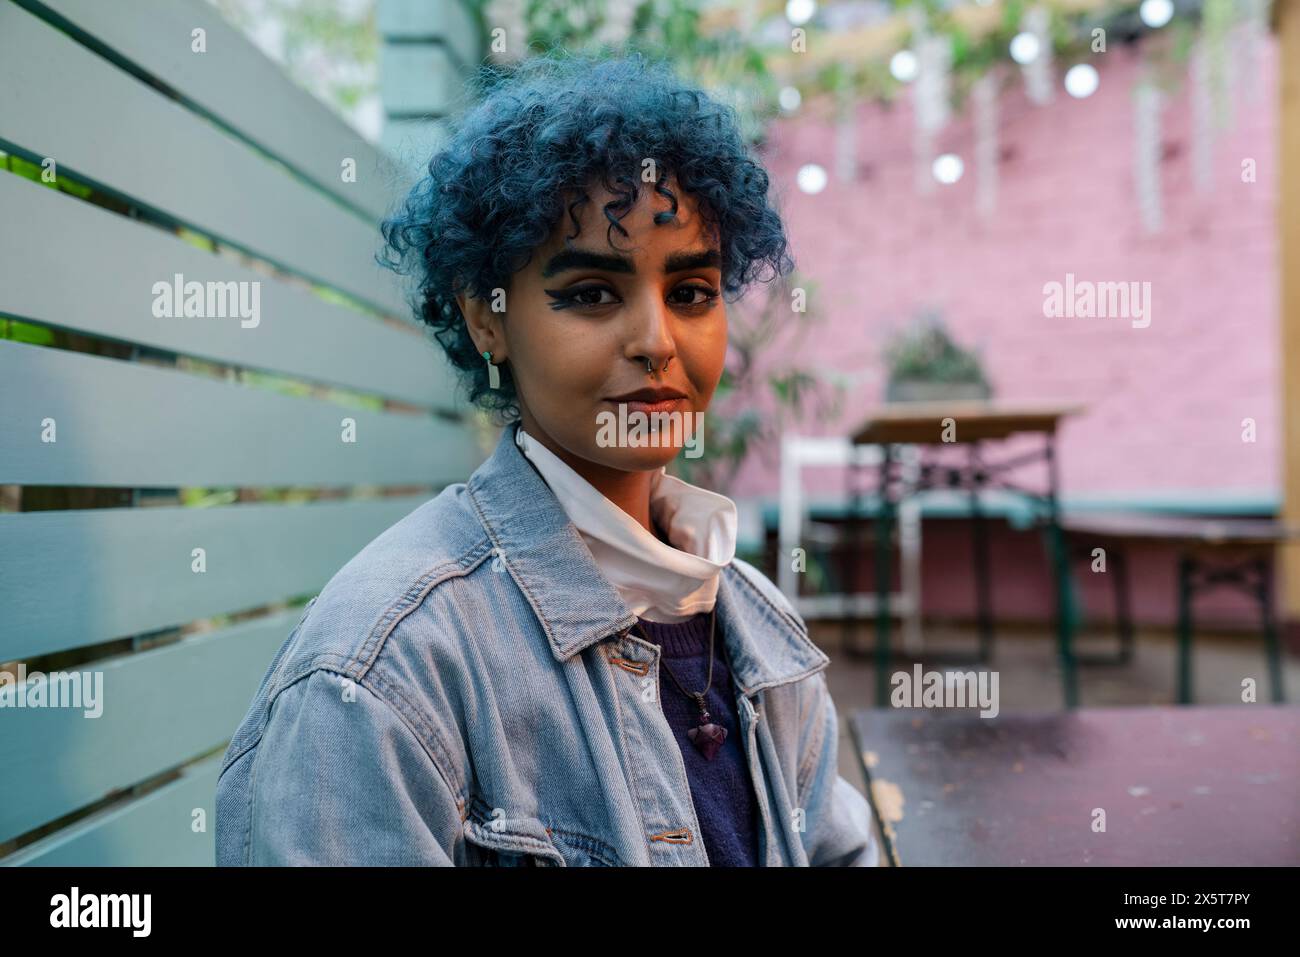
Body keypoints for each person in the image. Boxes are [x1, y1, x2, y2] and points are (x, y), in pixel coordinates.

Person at [215, 50, 877, 867]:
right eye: (592, 292)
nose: (656, 341)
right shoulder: (383, 674)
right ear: (485, 319)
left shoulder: (756, 621)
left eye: (692, 293)